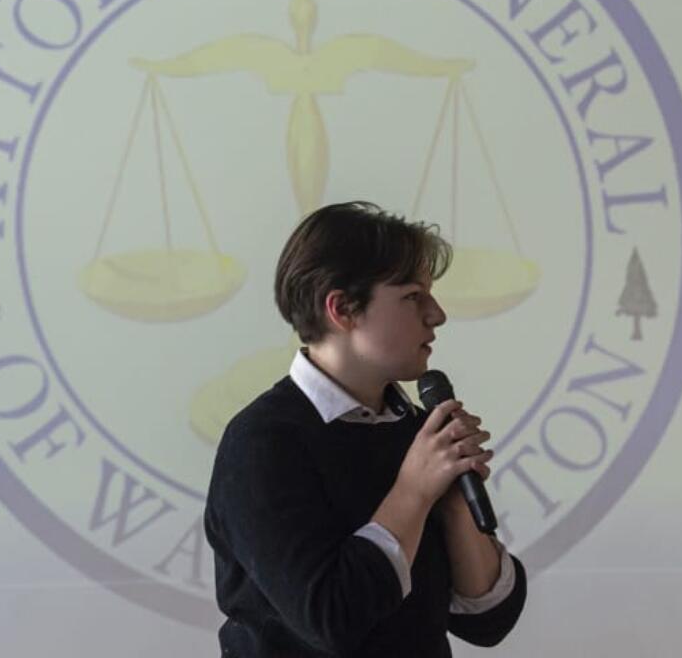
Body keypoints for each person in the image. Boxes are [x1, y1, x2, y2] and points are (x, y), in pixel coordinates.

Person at [205, 201, 527, 657]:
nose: (437, 315)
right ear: (342, 310)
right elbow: (331, 618)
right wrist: (414, 491)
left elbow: (490, 621)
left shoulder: (417, 432)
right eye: (414, 296)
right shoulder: (263, 442)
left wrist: (453, 499)